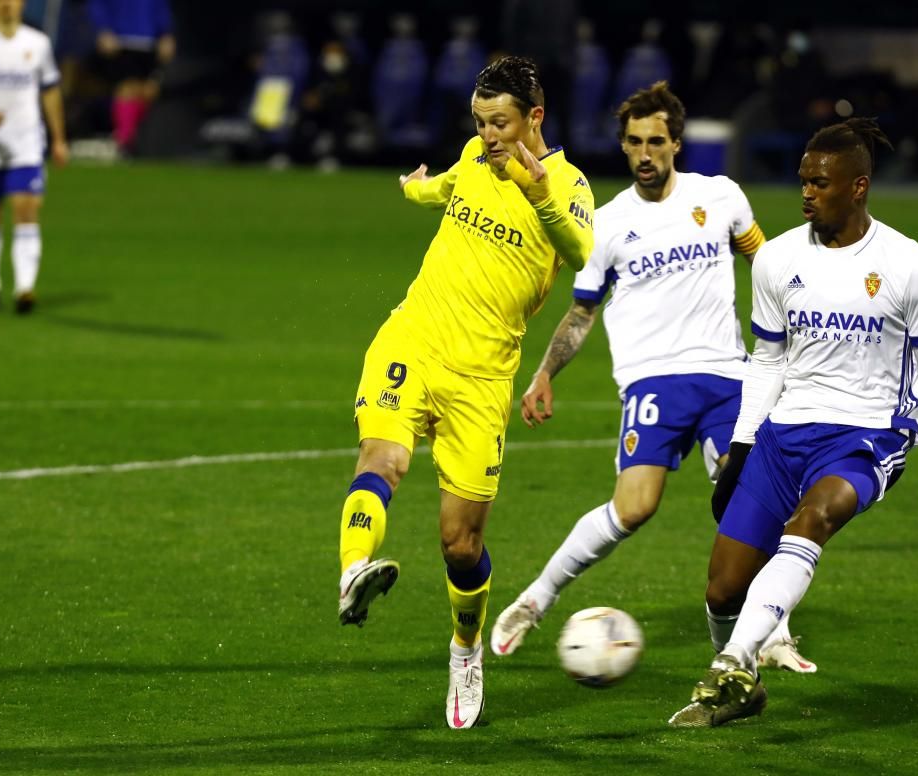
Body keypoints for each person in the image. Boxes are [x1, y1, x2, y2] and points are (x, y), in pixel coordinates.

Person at [668, 118, 918, 728]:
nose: (807, 192)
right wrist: (739, 447)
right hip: (783, 433)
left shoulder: (911, 266)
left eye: (820, 182)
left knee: (813, 519)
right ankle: (742, 686)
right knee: (720, 591)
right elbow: (769, 359)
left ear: (858, 186)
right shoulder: (777, 258)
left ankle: (735, 661)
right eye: (803, 181)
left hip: (867, 434)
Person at [489, 81, 817, 674]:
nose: (646, 153)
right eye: (636, 142)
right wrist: (543, 373)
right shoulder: (608, 226)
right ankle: (535, 600)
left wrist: (801, 325)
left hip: (726, 377)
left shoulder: (719, 197)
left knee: (751, 498)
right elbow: (582, 311)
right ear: (622, 145)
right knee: (633, 508)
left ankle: (773, 635)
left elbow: (765, 264)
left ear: (676, 143)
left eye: (657, 141)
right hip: (652, 383)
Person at [335, 56, 594, 730]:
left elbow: (585, 258)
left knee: (460, 542)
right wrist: (414, 189)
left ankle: (465, 647)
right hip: (413, 341)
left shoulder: (568, 185)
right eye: (479, 123)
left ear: (534, 117)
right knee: (381, 458)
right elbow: (449, 185)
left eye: (500, 123)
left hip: (483, 379)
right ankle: (352, 572)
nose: (488, 136)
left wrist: (536, 191)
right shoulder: (475, 158)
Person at [0, 0, 69, 314]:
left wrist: (59, 138)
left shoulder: (38, 43)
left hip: (26, 144)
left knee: (26, 209)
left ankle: (24, 288)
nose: (7, 5)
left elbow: (50, 91)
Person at [88, 0, 174, 154]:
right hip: (121, 40)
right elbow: (97, 4)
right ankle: (125, 143)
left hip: (149, 42)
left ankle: (140, 143)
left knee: (148, 91)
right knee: (126, 89)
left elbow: (161, 6)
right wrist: (102, 28)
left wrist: (166, 33)